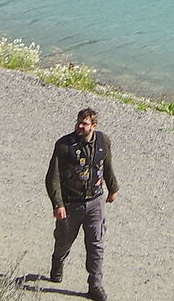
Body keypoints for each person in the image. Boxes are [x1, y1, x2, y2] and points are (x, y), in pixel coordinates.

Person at [46, 106, 118, 299]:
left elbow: (107, 165)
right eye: (78, 122)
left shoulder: (103, 141)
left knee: (96, 244)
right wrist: (58, 204)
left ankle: (95, 285)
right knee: (63, 242)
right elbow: (52, 177)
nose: (79, 126)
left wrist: (113, 188)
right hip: (71, 204)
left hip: (96, 202)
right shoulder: (64, 145)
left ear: (93, 126)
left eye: (84, 124)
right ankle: (57, 263)